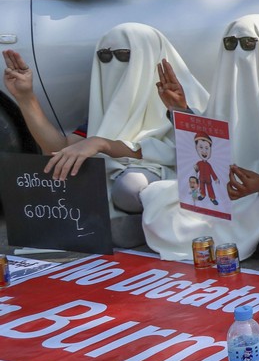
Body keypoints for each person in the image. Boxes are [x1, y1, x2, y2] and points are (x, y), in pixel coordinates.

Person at [3, 25, 209, 248]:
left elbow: (198, 153)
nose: (113, 63)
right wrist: (26, 98)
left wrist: (103, 144)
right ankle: (136, 226)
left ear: (150, 57)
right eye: (105, 56)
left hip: (176, 183)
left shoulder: (184, 101)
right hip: (113, 185)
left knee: (130, 185)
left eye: (123, 55)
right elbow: (60, 150)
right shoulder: (105, 110)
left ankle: (147, 224)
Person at [139, 15, 259, 261]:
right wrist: (180, 110)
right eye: (230, 44)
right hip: (224, 193)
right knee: (159, 197)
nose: (239, 53)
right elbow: (204, 145)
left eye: (249, 45)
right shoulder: (224, 94)